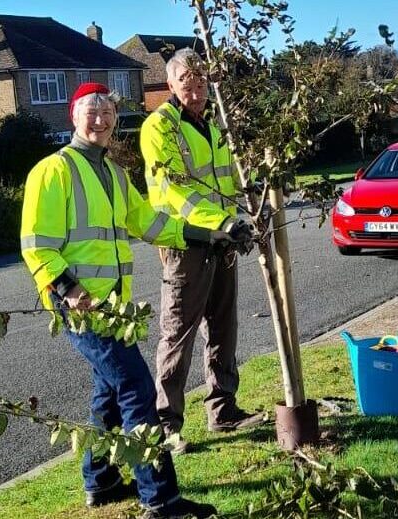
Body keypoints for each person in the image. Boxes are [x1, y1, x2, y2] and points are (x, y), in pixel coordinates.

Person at [20, 82, 223, 519]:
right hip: (79, 305)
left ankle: (101, 480)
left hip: (113, 308)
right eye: (91, 111)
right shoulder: (52, 171)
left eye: (108, 112)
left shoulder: (111, 172)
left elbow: (148, 222)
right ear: (73, 117)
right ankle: (161, 499)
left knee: (109, 394)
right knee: (136, 389)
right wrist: (68, 288)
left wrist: (208, 234)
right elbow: (37, 245)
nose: (101, 119)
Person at [140, 47, 263, 455]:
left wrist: (245, 217)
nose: (195, 93)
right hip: (186, 242)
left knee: (223, 327)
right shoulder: (161, 126)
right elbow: (176, 189)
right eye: (187, 86)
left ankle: (223, 409)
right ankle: (166, 425)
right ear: (170, 84)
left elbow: (229, 181)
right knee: (178, 333)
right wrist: (222, 223)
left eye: (201, 85)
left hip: (224, 241)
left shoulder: (214, 126)